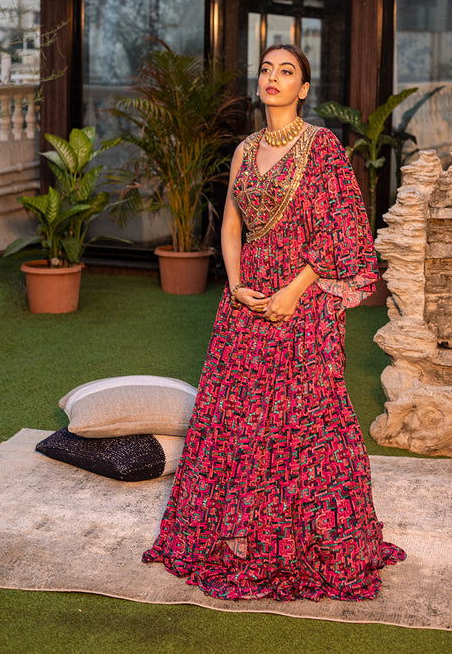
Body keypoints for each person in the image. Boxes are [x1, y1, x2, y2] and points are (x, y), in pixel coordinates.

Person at [143, 43, 406, 600]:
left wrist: (293, 291)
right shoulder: (243, 150)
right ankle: (236, 539)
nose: (273, 78)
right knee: (235, 414)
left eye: (287, 72)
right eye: (266, 69)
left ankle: (313, 543)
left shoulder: (322, 148)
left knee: (304, 416)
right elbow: (233, 223)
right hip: (247, 300)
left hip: (301, 298)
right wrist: (237, 284)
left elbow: (344, 230)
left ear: (303, 89)